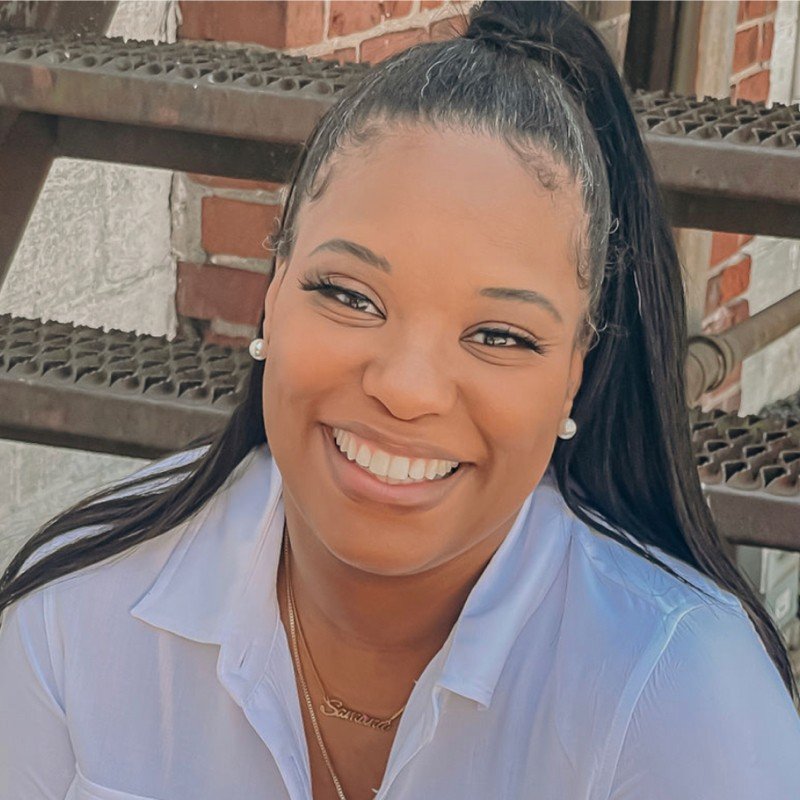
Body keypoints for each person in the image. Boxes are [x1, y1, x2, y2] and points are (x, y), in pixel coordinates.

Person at [2, 2, 799, 798]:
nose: (407, 389)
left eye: (500, 335)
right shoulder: (76, 616)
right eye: (350, 296)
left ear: (574, 376)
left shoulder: (686, 703)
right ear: (273, 293)